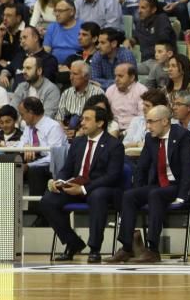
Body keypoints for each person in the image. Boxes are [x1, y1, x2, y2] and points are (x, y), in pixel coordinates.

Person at [106, 105, 190, 263]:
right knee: (129, 195)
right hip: (159, 185)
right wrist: (138, 191)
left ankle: (152, 249)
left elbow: (189, 168)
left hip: (177, 185)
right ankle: (127, 247)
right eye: (146, 122)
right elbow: (142, 166)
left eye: (151, 122)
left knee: (155, 194)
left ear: (164, 121)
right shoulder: (150, 138)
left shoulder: (183, 135)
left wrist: (183, 196)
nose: (147, 126)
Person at [40, 105, 123, 263]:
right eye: (82, 119)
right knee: (48, 200)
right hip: (76, 187)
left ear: (100, 123)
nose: (82, 123)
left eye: (87, 119)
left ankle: (94, 249)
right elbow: (67, 169)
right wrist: (60, 181)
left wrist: (84, 189)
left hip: (100, 188)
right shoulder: (78, 142)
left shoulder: (114, 145)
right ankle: (73, 243)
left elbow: (112, 176)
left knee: (98, 196)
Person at [105, 63, 148, 132]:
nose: (116, 79)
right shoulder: (110, 90)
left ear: (132, 78)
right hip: (112, 128)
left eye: (120, 76)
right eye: (115, 76)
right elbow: (105, 113)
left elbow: (142, 117)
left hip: (133, 130)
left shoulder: (142, 91)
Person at [43, 0, 81, 64]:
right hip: (54, 66)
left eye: (60, 11)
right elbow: (46, 50)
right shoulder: (52, 27)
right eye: (55, 11)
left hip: (76, 66)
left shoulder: (82, 27)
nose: (57, 14)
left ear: (72, 12)